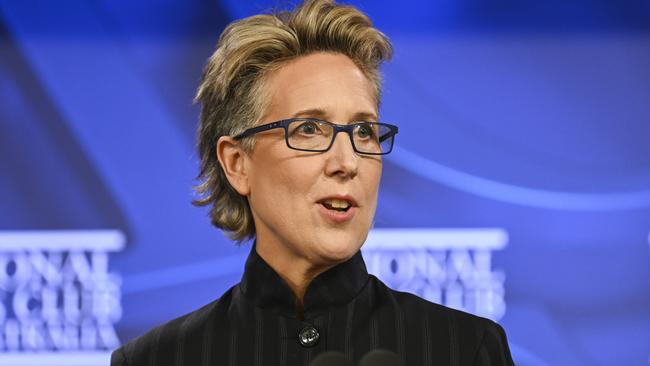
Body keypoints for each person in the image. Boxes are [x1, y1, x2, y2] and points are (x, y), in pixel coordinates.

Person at [111, 0, 515, 365]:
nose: (347, 162)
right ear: (237, 164)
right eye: (309, 129)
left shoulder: (464, 349)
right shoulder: (157, 360)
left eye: (363, 132)